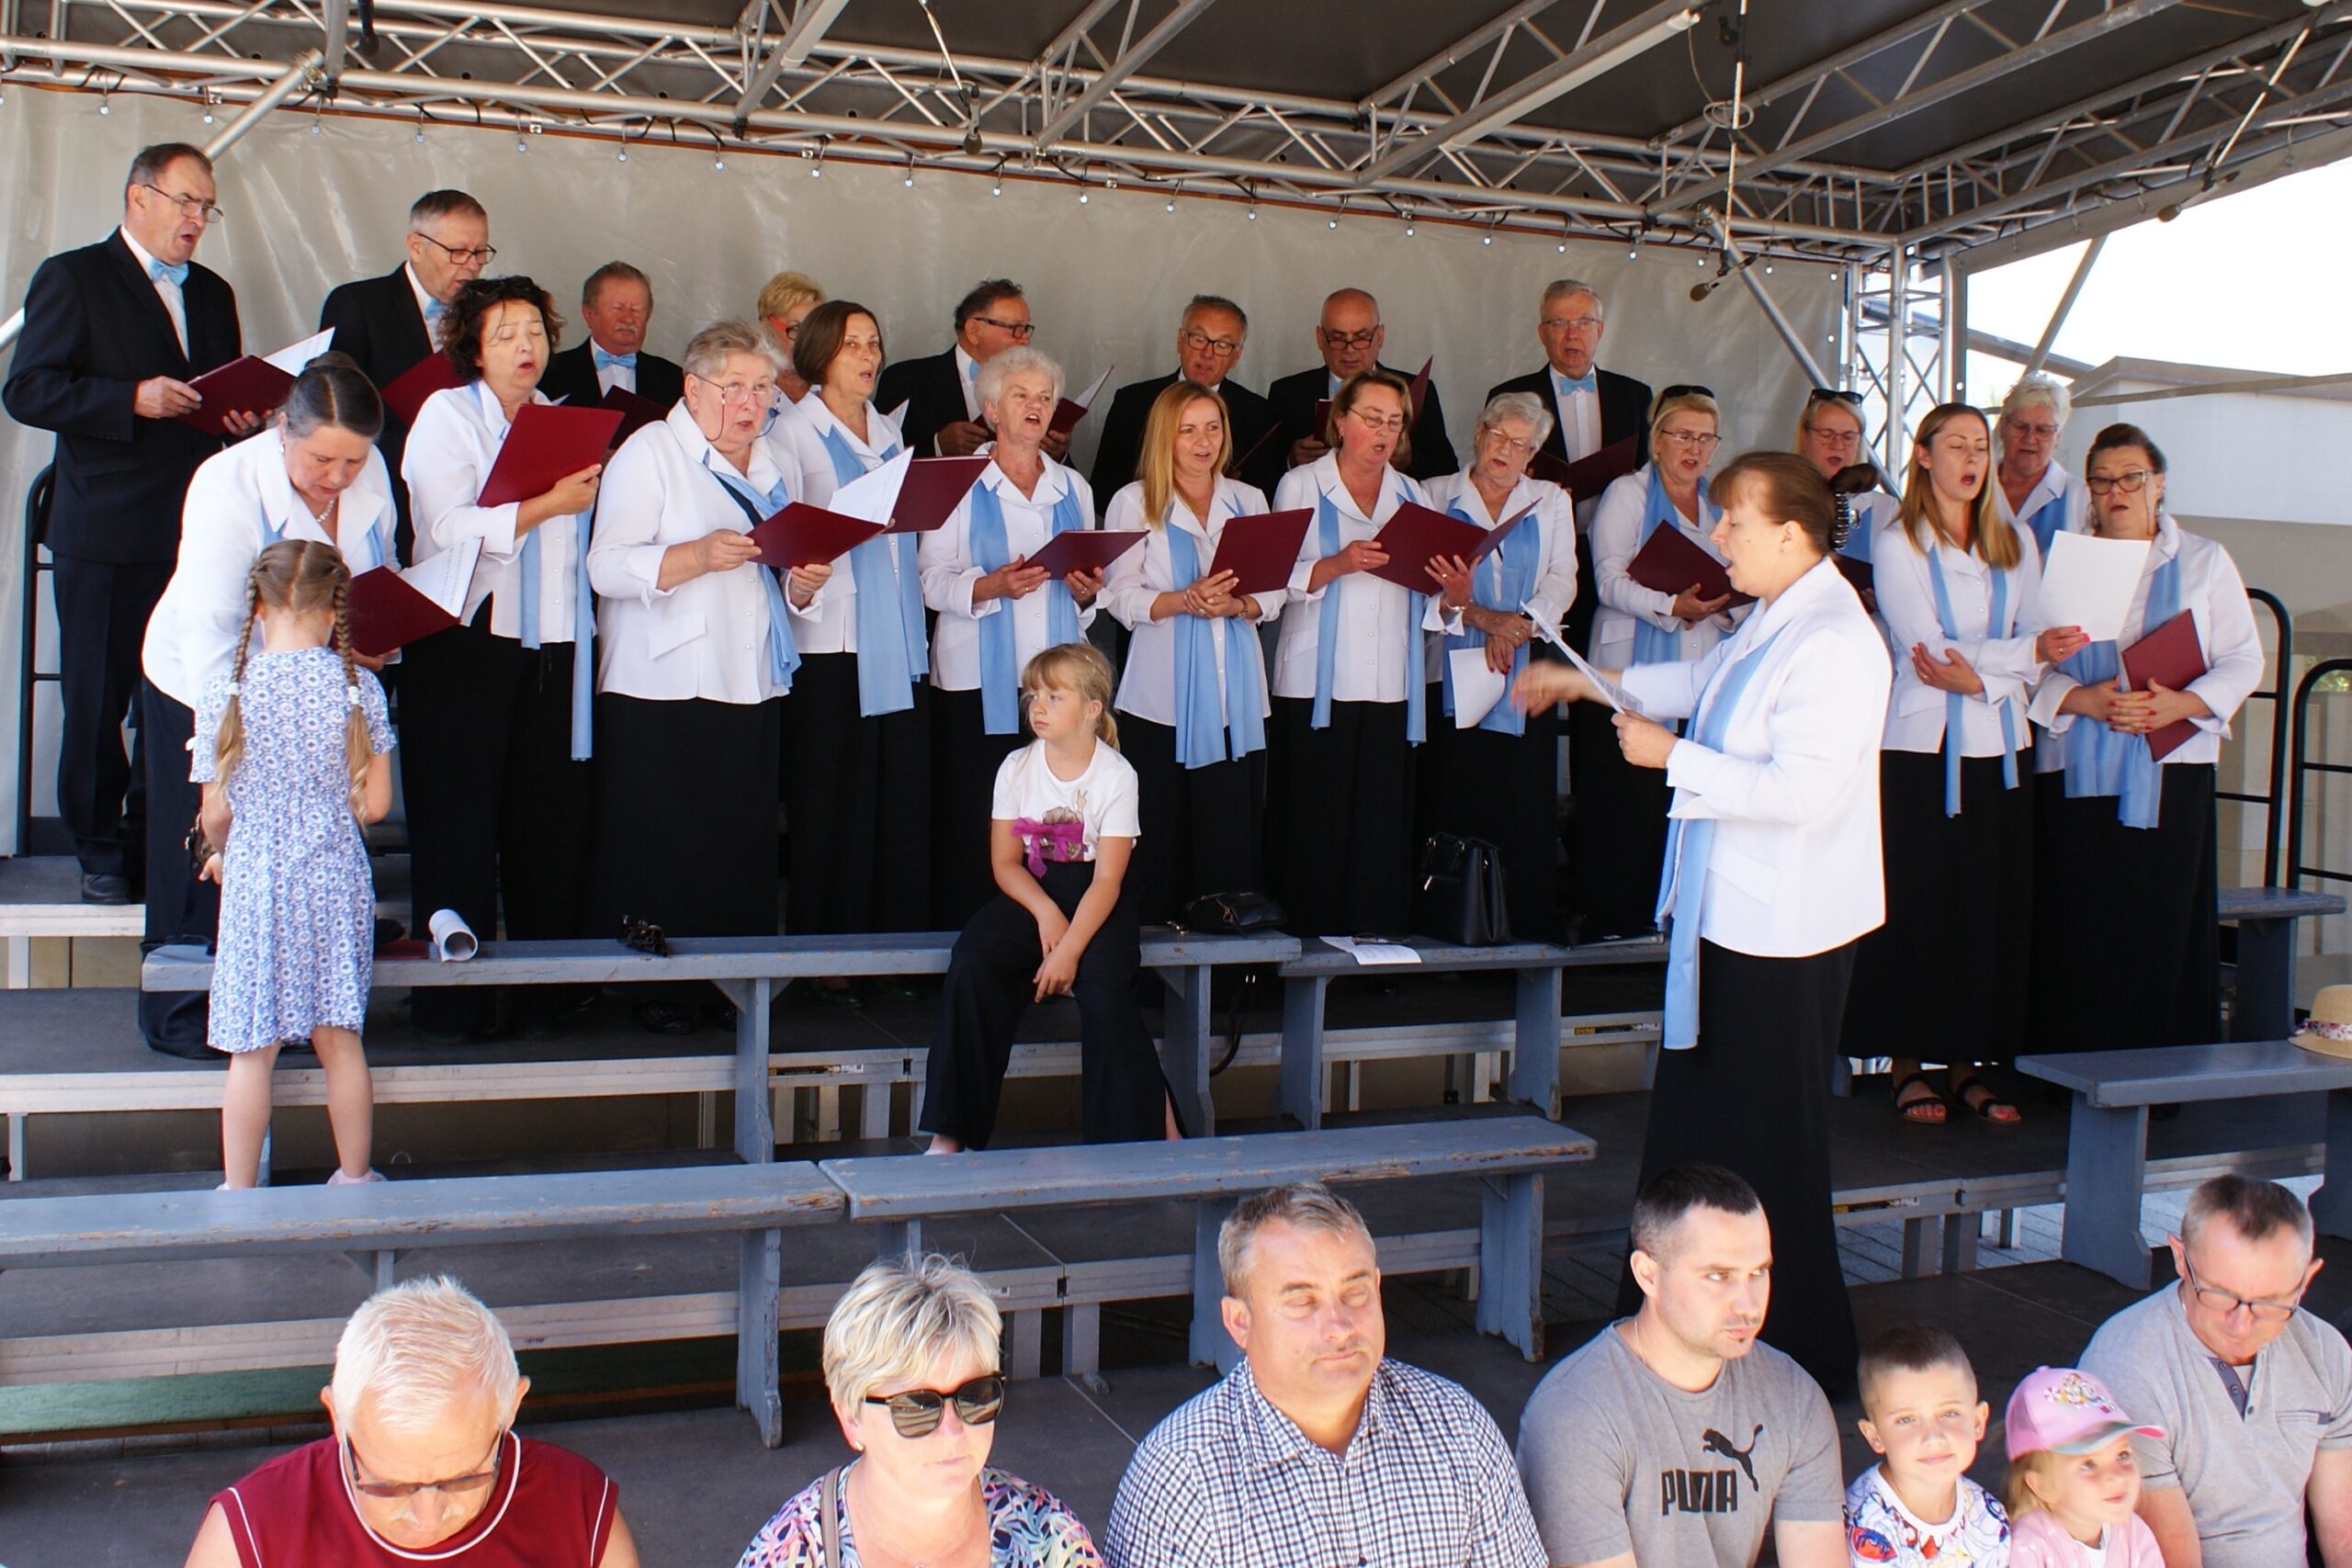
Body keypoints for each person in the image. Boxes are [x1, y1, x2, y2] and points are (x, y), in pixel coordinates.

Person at [1515, 453, 1888, 1393]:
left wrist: (1672, 759)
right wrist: (1585, 682)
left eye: (1733, 522)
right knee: (1704, 1135)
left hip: (1785, 934)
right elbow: (1696, 685)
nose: (1715, 536)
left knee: (1769, 1149)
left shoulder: (1836, 640)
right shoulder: (1773, 618)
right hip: (1731, 922)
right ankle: (1676, 1328)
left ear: (1791, 535)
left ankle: (1796, 1349)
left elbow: (1800, 792)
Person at [4, 144, 251, 915]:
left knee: (177, 696)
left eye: (207, 206)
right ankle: (97, 845)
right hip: (104, 526)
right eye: (185, 201)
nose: (196, 218)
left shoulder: (213, 292)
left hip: (193, 530)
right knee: (98, 697)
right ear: (138, 196)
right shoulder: (74, 276)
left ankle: (159, 838)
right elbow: (27, 389)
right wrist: (128, 398)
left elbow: (215, 389)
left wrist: (240, 416)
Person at [140, 355, 398, 1059]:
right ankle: (182, 1014)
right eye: (321, 459)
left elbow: (377, 571)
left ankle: (288, 1011)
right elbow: (211, 636)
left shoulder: (369, 472)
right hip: (208, 684)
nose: (339, 476)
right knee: (206, 846)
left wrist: (364, 639)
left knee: (289, 864)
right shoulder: (225, 483)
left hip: (308, 682)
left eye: (354, 460)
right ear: (283, 428)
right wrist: (218, 768)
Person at [1841, 402, 2084, 1126]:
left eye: (1980, 445)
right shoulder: (1899, 541)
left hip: (2000, 749)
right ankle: (1907, 1061)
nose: (1972, 459)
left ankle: (1967, 1058)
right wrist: (2017, 660)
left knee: (1986, 907)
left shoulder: (2014, 539)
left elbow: (2042, 640)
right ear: (1923, 455)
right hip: (1922, 751)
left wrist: (1990, 673)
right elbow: (1927, 649)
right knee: (1919, 905)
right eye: (1957, 445)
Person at [586, 321, 824, 1034]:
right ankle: (654, 986)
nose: (751, 403)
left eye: (762, 388)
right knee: (665, 834)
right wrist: (691, 556)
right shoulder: (651, 452)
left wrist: (804, 584)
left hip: (750, 673)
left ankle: (729, 981)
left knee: (738, 836)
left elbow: (779, 574)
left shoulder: (776, 460)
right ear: (692, 389)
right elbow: (604, 566)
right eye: (734, 387)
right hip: (662, 679)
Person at [1106, 1182, 1545, 1568]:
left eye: (1355, 1292)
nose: (1339, 1326)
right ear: (1240, 1322)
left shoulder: (1457, 1427)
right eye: (1302, 1302)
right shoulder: (1181, 1478)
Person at [401, 276, 604, 1040]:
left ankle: (546, 996)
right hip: (465, 642)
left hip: (553, 642)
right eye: (506, 334)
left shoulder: (562, 418)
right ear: (474, 349)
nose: (526, 347)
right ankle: (453, 1005)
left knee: (546, 823)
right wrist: (546, 504)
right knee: (457, 821)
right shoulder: (447, 415)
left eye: (535, 332)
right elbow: (445, 526)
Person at [2025, 423, 2263, 1055]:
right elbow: (2025, 663)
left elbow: (2243, 659)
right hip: (2075, 766)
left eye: (2132, 477)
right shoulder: (2060, 562)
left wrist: (2180, 703)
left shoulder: (2204, 559)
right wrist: (2082, 698)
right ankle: (2065, 1073)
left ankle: (2159, 1074)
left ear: (2159, 484)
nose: (2117, 491)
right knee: (2078, 920)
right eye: (2103, 480)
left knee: (2158, 921)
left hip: (2170, 767)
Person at [183, 1275, 640, 1566]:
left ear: (512, 1408)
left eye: (463, 1479)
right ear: (337, 1419)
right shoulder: (253, 1533)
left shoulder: (578, 1511)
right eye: (390, 1486)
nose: (428, 1517)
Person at [1515, 1164, 1843, 1568]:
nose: (1748, 1304)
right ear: (1647, 1275)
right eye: (1718, 1276)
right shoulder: (1575, 1413)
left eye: (1758, 1272)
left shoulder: (1794, 1395)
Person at [191, 541, 393, 1188]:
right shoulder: (360, 688)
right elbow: (377, 806)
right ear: (336, 609)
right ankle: (355, 1176)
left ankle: (238, 1190)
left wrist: (225, 853)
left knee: (251, 1048)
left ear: (259, 605)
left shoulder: (226, 690)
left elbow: (216, 813)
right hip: (334, 877)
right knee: (340, 1038)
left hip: (256, 879)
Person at [921, 643, 1170, 1152]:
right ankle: (952, 1131)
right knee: (972, 961)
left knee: (1106, 993)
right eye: (1033, 695)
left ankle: (1127, 1145)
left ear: (1092, 708)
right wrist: (1045, 913)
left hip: (1097, 898)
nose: (1038, 707)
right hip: (1034, 891)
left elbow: (1108, 881)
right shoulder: (1016, 766)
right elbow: (1005, 863)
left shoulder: (1116, 775)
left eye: (1055, 697)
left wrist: (1069, 949)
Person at [736, 1254, 1100, 1566]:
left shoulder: (1049, 1539)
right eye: (917, 1407)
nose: (953, 1431)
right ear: (851, 1418)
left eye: (974, 1396)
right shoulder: (791, 1552)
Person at [1267, 369, 1464, 939]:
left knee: (1380, 820)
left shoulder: (1413, 493)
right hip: (1315, 679)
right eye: (1372, 419)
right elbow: (1275, 579)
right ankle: (1308, 943)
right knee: (1315, 817)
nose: (1383, 433)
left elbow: (1427, 594)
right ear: (1340, 422)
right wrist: (1339, 563)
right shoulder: (1301, 485)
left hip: (1390, 680)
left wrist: (1454, 596)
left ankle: (1375, 943)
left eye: (1394, 423)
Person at [767, 300, 934, 958]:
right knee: (833, 803)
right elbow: (785, 534)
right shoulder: (790, 432)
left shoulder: (890, 431)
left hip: (895, 636)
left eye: (873, 344)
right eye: (851, 345)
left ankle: (889, 947)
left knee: (894, 799)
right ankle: (827, 957)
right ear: (819, 354)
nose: (868, 357)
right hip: (831, 641)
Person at [2082, 1174, 2352, 1567]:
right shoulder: (2126, 1366)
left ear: (2305, 1281)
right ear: (2180, 1258)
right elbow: (2173, 1558)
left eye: (2270, 1302)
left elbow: (2344, 1535)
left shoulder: (2325, 1352)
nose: (2241, 1325)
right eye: (2219, 1295)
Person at [921, 346, 1104, 927]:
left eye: (1045, 397)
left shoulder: (1074, 486)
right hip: (975, 681)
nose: (1035, 406)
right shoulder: (956, 482)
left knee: (1051, 816)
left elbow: (1088, 595)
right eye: (1020, 395)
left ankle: (1047, 935)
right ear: (992, 408)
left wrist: (1086, 592)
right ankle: (972, 937)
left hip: (1058, 686)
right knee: (979, 814)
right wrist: (990, 585)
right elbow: (929, 581)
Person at [1101, 381, 1279, 924]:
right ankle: (1161, 950)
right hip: (1161, 698)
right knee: (1162, 828)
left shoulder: (1248, 500)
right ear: (1165, 436)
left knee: (1230, 824)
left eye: (1213, 428)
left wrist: (1239, 604)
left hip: (1235, 695)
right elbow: (1117, 596)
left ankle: (1227, 948)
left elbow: (1275, 588)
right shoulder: (1134, 501)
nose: (1203, 442)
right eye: (1188, 430)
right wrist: (1184, 600)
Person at [1573, 386, 1736, 942]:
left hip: (1701, 664)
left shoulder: (1721, 505)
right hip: (1630, 667)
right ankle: (1613, 919)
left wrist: (1721, 607)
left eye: (1705, 438)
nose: (1694, 448)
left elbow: (1743, 583)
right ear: (1657, 440)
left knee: (1679, 795)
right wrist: (1671, 604)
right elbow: (1608, 580)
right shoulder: (1628, 493)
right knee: (1624, 801)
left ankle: (1668, 917)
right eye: (1682, 435)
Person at [1419, 391, 1577, 942]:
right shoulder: (1434, 493)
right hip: (1448, 669)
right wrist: (1485, 620)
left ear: (1533, 454)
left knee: (1521, 800)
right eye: (1499, 436)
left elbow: (1562, 577)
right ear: (1478, 434)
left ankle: (1520, 929)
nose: (1506, 450)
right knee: (1455, 790)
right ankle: (1451, 928)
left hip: (1525, 669)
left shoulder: (1549, 499)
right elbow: (1422, 583)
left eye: (1521, 444)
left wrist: (1519, 627)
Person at [1485, 277, 1654, 660]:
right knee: (1544, 666)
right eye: (1559, 324)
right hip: (1539, 560)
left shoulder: (1635, 395)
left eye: (1583, 323)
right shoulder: (1510, 395)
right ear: (1542, 333)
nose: (1572, 334)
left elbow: (1646, 474)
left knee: (1603, 668)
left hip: (1613, 557)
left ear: (1600, 330)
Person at [318, 188, 493, 557]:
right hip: (387, 489)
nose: (472, 266)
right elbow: (336, 404)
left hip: (471, 496)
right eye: (458, 252)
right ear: (416, 246)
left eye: (480, 253)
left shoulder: (487, 312)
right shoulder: (358, 303)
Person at [1844, 1324, 2012, 1566]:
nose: (1933, 1437)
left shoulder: (1988, 1518)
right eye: (1906, 1420)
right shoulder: (1867, 1526)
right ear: (1875, 1436)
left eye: (1949, 1413)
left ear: (1977, 1422)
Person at [1091, 295, 1280, 502]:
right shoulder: (1131, 402)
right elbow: (1104, 491)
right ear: (1180, 340)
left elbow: (1265, 497)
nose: (1208, 353)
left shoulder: (1259, 414)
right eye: (1199, 339)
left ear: (1236, 355)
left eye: (1222, 345)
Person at [1264, 288, 1456, 481]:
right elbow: (1263, 475)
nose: (1349, 350)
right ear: (1320, 339)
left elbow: (1447, 472)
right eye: (1338, 339)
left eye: (1361, 338)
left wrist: (1409, 462)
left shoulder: (1416, 391)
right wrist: (1291, 461)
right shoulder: (1287, 394)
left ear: (1379, 336)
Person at [877, 277, 1070, 462]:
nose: (1025, 339)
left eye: (1026, 328)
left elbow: (1069, 477)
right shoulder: (905, 380)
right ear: (974, 331)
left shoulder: (1039, 390)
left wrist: (1057, 454)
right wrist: (937, 445)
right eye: (1015, 328)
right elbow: (878, 462)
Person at [2002, 1367, 2167, 1567]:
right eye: (2088, 1465)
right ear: (2042, 1486)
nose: (2116, 1475)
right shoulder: (2028, 1547)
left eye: (2122, 1455)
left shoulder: (2134, 1533)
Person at [538, 261, 684, 409]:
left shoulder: (673, 379)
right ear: (589, 313)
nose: (628, 319)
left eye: (637, 309)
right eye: (617, 308)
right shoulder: (549, 373)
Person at [1991, 374, 2090, 558]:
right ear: (2003, 427)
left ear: (2057, 438)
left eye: (2043, 430)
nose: (2030, 438)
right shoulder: (1976, 487)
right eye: (2020, 426)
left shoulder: (2080, 497)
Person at [754, 269, 825, 406]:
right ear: (766, 328)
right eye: (796, 328)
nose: (808, 340)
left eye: (814, 329)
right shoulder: (750, 391)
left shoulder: (833, 390)